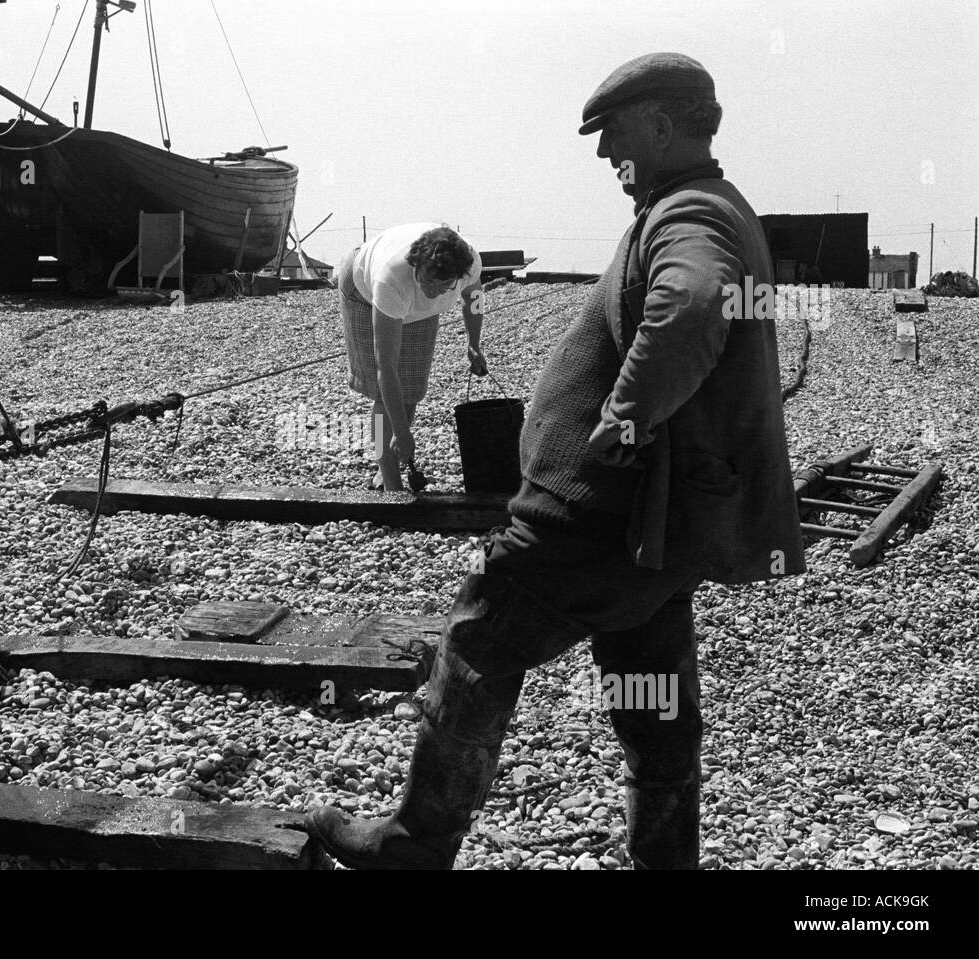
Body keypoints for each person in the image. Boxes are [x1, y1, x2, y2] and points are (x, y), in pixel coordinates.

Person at [307, 52, 805, 869]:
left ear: (662, 124)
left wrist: (628, 412)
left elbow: (692, 303)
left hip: (591, 514)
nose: (610, 157)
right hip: (653, 525)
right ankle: (666, 856)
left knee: (475, 646)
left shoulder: (690, 217)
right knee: (653, 696)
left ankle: (415, 842)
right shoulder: (708, 202)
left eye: (615, 138)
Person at [335, 224, 488, 491]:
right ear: (416, 265)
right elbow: (387, 368)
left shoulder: (470, 261)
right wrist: (403, 433)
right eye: (428, 280)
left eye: (445, 285)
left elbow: (474, 296)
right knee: (384, 396)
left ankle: (390, 460)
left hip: (417, 311)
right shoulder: (391, 280)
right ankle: (392, 486)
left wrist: (474, 343)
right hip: (363, 291)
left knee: (411, 390)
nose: (434, 290)